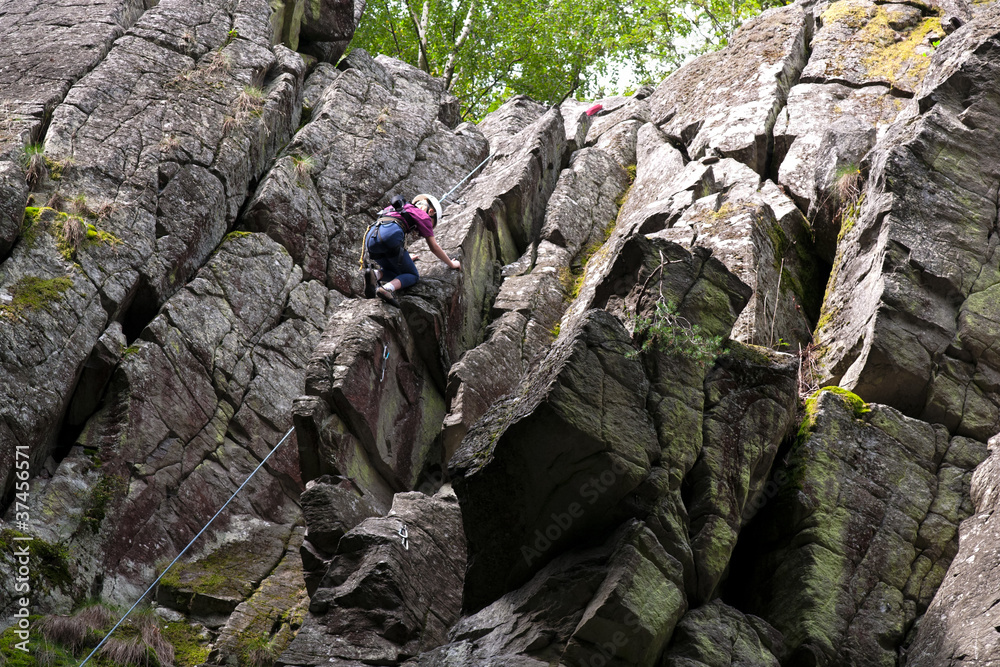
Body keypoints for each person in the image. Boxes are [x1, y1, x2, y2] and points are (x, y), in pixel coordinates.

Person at [364, 193, 461, 307]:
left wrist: (406, 259)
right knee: (412, 275)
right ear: (431, 213)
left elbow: (388, 230)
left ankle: (374, 274)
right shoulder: (423, 215)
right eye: (431, 222)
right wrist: (451, 264)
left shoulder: (397, 208)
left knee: (396, 272)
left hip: (371, 239)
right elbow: (433, 247)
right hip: (390, 237)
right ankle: (386, 289)